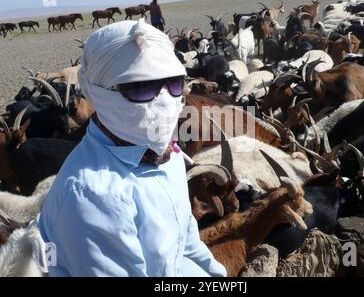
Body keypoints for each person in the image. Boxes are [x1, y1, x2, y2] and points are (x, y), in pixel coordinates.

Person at [38, 19, 227, 277]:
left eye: (173, 83)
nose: (164, 100)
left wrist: (219, 276)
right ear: (97, 93)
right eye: (139, 87)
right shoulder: (92, 198)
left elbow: (186, 239)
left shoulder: (167, 155)